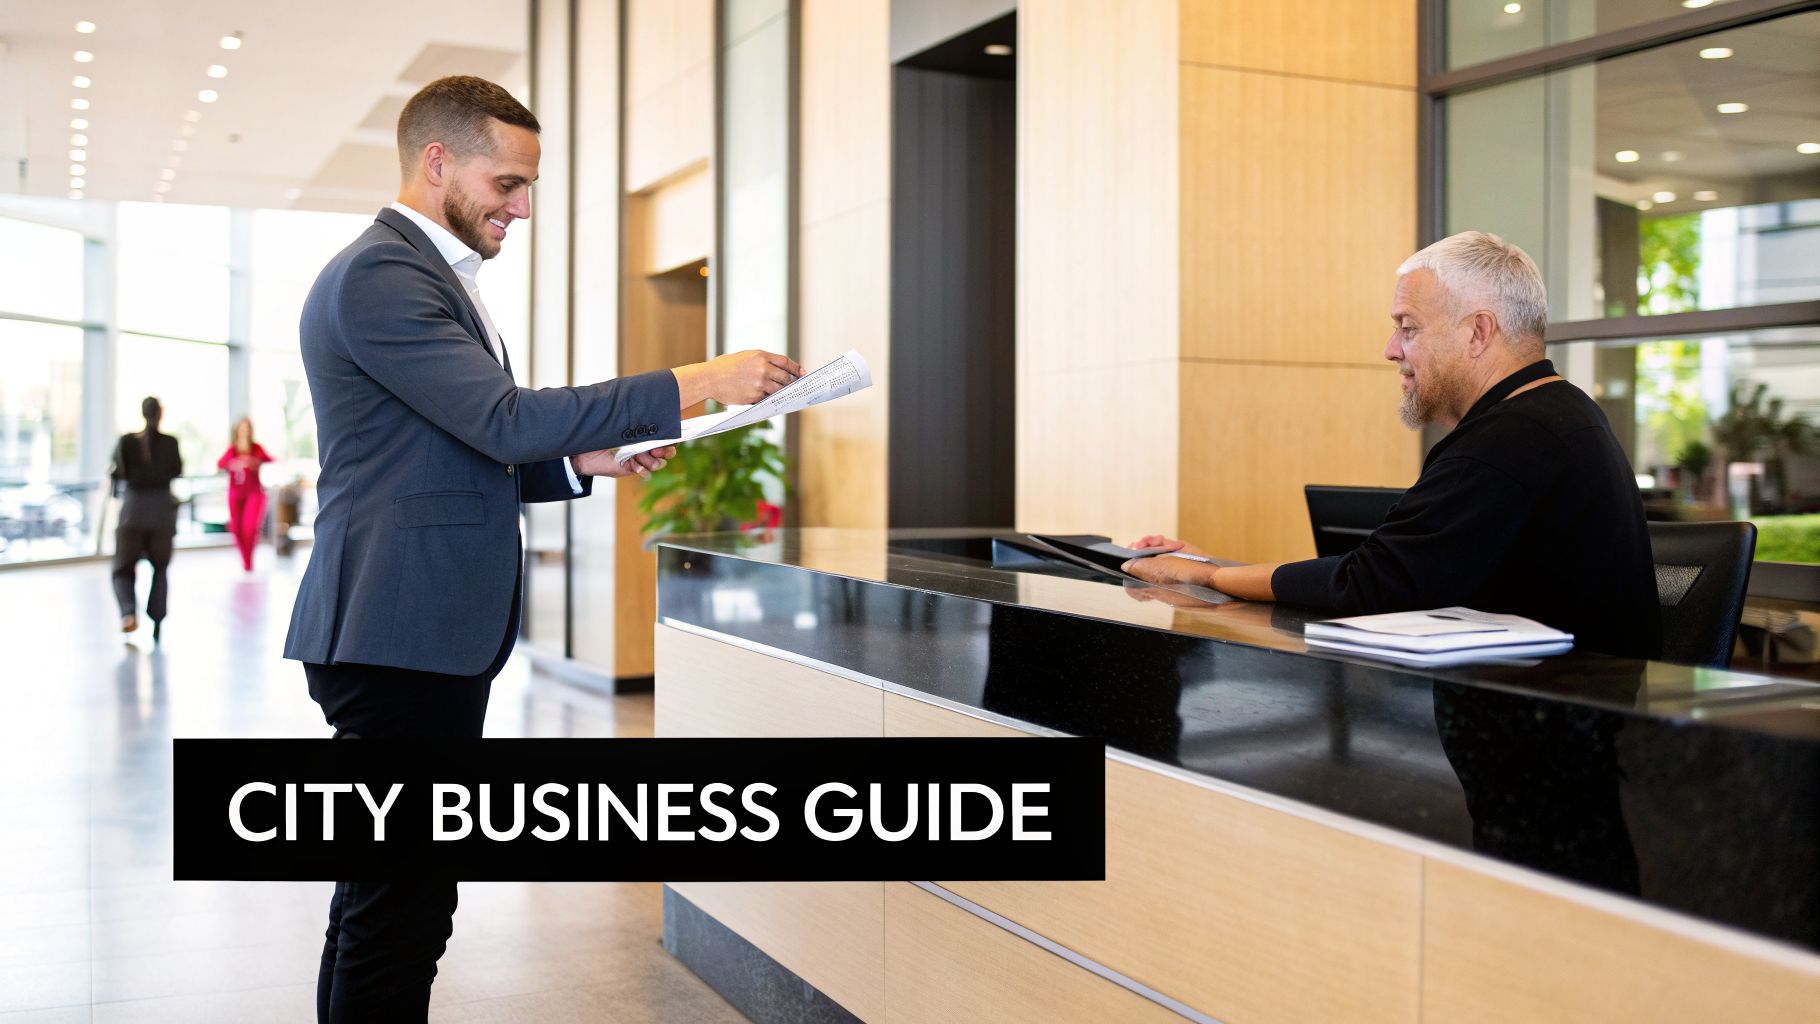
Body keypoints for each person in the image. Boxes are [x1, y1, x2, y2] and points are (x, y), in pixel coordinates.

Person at [282, 75, 801, 1023]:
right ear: (435, 161)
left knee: (387, 898)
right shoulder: (383, 275)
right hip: (397, 634)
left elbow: (448, 458)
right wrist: (699, 377)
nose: (520, 206)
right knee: (402, 905)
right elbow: (503, 419)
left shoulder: (423, 277)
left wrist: (579, 465)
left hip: (410, 634)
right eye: (507, 182)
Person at [1123, 231, 1660, 660]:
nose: (1389, 350)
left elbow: (1372, 584)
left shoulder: (1516, 439)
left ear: (1478, 332)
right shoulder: (1542, 417)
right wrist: (1209, 565)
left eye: (1408, 328)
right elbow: (1399, 571)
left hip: (1547, 752)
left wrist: (1206, 575)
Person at [111, 396, 183, 643]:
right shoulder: (171, 442)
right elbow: (177, 470)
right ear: (160, 413)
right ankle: (157, 621)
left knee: (122, 568)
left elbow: (118, 472)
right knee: (160, 568)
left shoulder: (126, 442)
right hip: (162, 510)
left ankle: (128, 613)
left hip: (133, 509)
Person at [216, 417, 273, 571]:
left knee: (249, 527)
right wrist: (233, 463)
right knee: (236, 528)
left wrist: (253, 461)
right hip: (235, 494)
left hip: (254, 493)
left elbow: (271, 459)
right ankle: (246, 562)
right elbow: (220, 464)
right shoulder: (232, 449)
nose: (244, 431)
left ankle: (248, 563)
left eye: (247, 428)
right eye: (242, 428)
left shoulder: (256, 448)